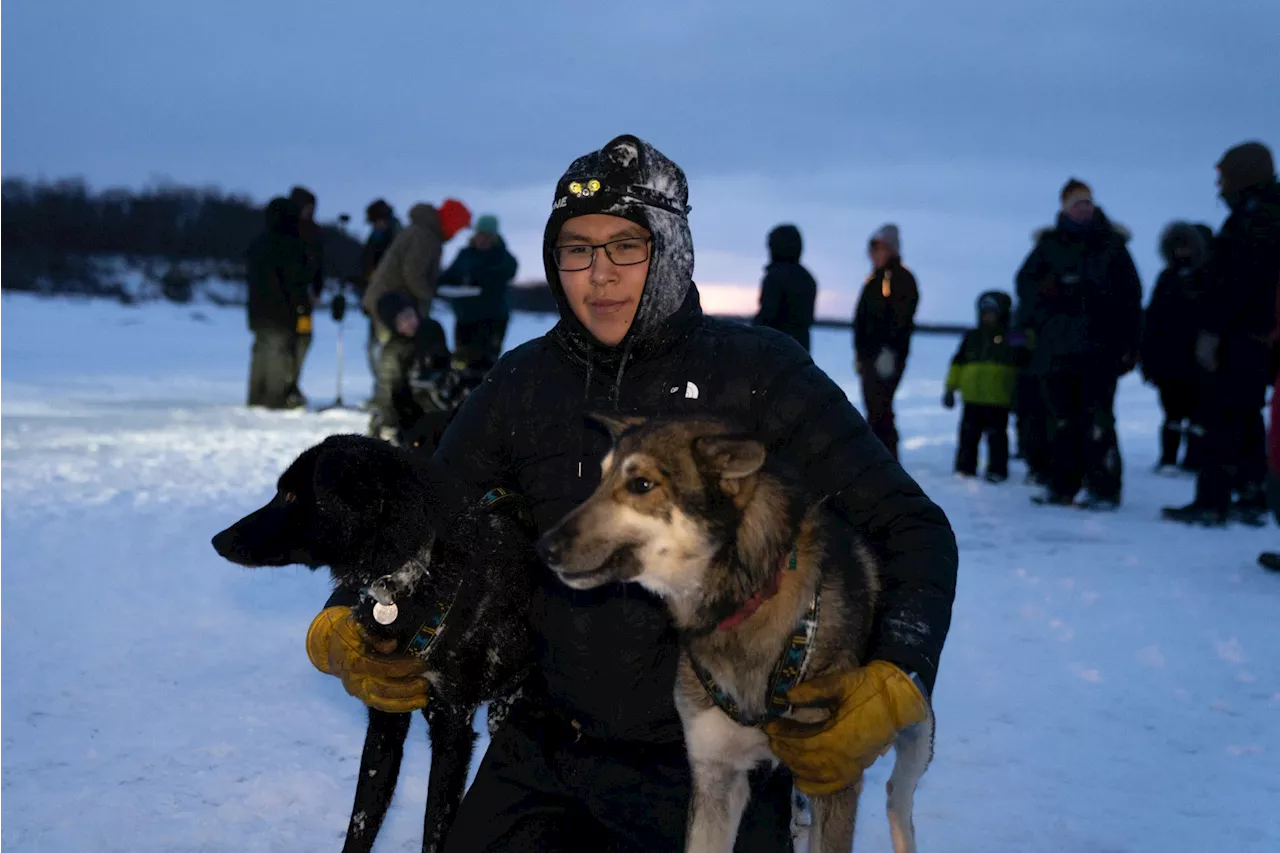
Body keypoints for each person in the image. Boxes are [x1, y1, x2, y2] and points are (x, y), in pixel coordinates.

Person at [304, 135, 958, 851]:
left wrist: (897, 671)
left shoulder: (760, 373)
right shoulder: (522, 384)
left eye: (626, 247)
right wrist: (349, 617)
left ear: (672, 249)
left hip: (716, 760)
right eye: (577, 249)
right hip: (546, 749)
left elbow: (911, 527)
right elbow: (420, 516)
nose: (599, 275)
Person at [1164, 141, 1280, 527]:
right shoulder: (1262, 215)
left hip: (1240, 337)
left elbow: (1238, 283)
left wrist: (1212, 329)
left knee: (1220, 417)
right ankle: (1250, 494)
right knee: (1245, 417)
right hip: (1255, 337)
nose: (1219, 187)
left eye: (1224, 177)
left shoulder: (1255, 220)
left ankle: (1213, 501)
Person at [1015, 178, 1142, 510]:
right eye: (1076, 203)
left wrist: (1129, 343)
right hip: (1056, 351)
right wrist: (1047, 297)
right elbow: (1025, 290)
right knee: (1060, 422)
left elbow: (1130, 298)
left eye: (1087, 202)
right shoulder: (1048, 246)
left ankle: (1104, 488)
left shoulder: (1111, 246)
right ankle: (1063, 486)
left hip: (1099, 350)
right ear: (1065, 208)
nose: (1083, 208)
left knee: (1098, 421)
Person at [362, 198, 472, 441]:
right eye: (459, 227)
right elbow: (413, 274)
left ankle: (398, 412)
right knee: (393, 360)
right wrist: (432, 294)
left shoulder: (424, 232)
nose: (458, 233)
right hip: (393, 310)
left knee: (400, 358)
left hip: (399, 308)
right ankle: (387, 416)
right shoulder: (425, 236)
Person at [1140, 222, 1211, 473]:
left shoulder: (1207, 278)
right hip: (1168, 361)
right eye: (1177, 246)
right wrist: (1147, 358)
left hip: (1198, 360)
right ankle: (1168, 458)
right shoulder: (1166, 279)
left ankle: (1194, 458)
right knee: (1172, 413)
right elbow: (1153, 321)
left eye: (1186, 246)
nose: (1182, 252)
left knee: (1198, 414)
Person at [852, 223, 918, 459]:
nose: (877, 254)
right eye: (874, 249)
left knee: (881, 408)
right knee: (874, 407)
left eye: (882, 248)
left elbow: (901, 320)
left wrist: (890, 351)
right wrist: (860, 354)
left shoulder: (902, 279)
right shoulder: (873, 280)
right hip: (869, 356)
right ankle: (877, 455)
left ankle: (886, 457)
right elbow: (862, 319)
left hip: (887, 357)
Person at [943, 291, 1018, 482]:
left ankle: (997, 470)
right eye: (985, 312)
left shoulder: (1013, 337)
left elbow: (1023, 363)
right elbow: (957, 364)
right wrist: (950, 389)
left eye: (993, 312)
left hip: (998, 398)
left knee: (997, 438)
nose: (988, 316)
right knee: (968, 435)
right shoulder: (972, 337)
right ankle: (965, 468)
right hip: (972, 397)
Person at [245, 197, 310, 409]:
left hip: (258, 311)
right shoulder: (290, 245)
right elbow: (295, 282)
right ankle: (274, 399)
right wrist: (301, 307)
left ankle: (256, 397)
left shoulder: (259, 243)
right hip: (281, 312)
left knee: (261, 353)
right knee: (278, 355)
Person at [437, 213, 518, 368]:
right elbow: (448, 277)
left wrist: (482, 280)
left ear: (494, 237)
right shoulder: (465, 255)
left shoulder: (502, 256)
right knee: (462, 361)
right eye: (480, 234)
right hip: (465, 319)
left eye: (487, 236)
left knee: (486, 365)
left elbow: (509, 271)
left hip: (492, 320)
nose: (483, 239)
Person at [287, 185, 325, 408]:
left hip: (305, 302)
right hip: (288, 301)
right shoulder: (288, 232)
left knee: (303, 340)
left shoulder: (314, 233)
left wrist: (317, 291)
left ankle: (293, 382)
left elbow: (319, 266)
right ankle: (287, 385)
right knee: (289, 344)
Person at [753, 223, 817, 351]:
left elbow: (766, 317)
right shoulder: (807, 278)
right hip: (800, 351)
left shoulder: (775, 277)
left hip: (774, 352)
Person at [359, 199, 403, 381]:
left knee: (383, 347)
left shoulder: (395, 235)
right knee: (374, 347)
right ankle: (380, 387)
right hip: (376, 299)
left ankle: (386, 389)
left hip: (390, 301)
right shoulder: (376, 236)